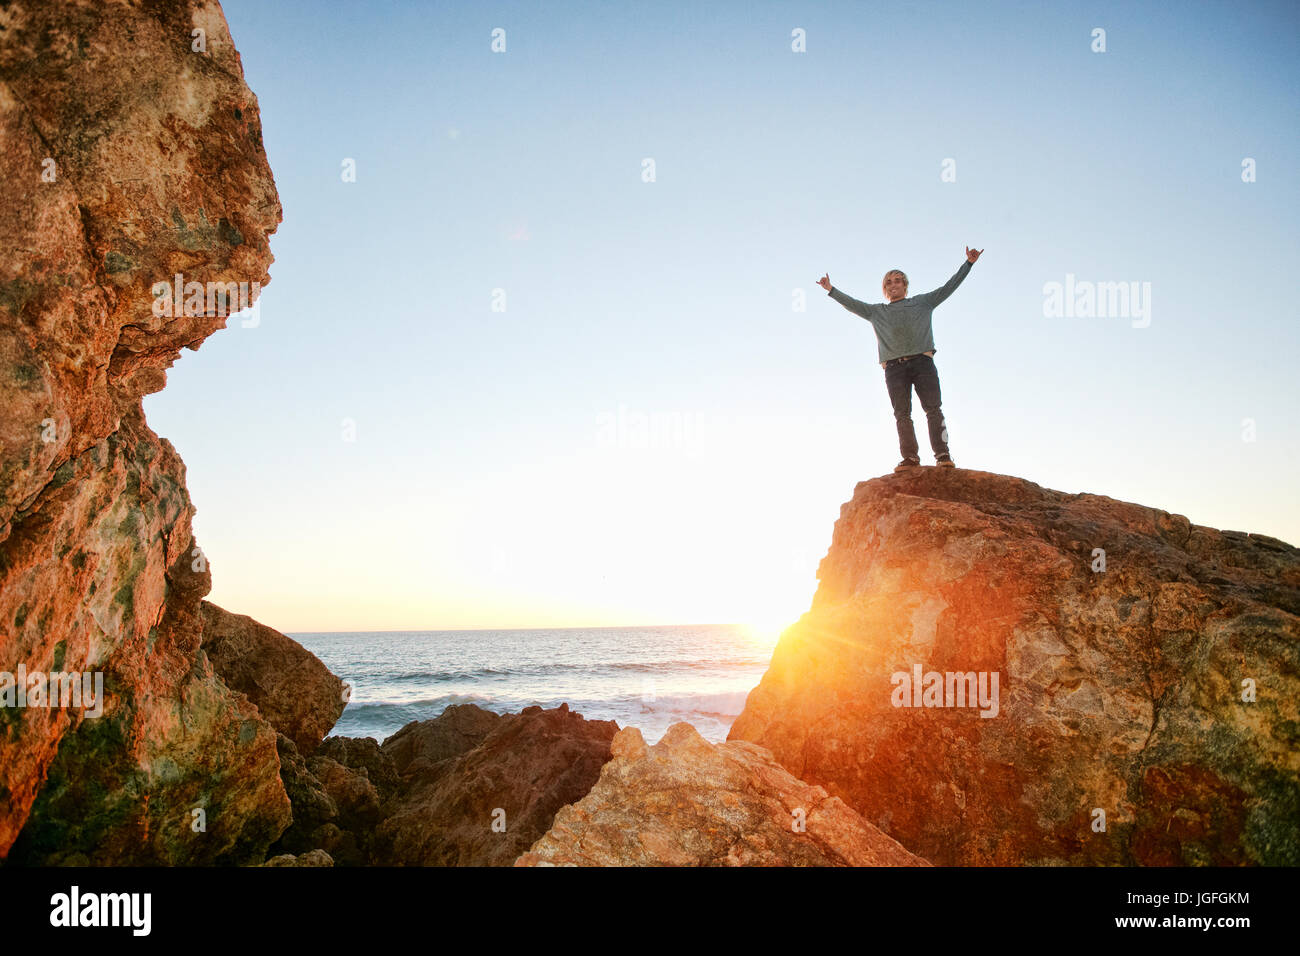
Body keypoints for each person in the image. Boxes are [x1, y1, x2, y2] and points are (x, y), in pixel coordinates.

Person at [818, 247, 982, 472]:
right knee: (902, 414)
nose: (893, 284)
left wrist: (968, 264)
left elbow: (949, 287)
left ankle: (943, 455)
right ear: (885, 289)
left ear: (905, 285)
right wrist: (831, 290)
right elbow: (853, 304)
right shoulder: (877, 312)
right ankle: (910, 458)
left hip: (923, 363)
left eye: (897, 281)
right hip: (894, 369)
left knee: (934, 409)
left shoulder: (923, 302)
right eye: (889, 282)